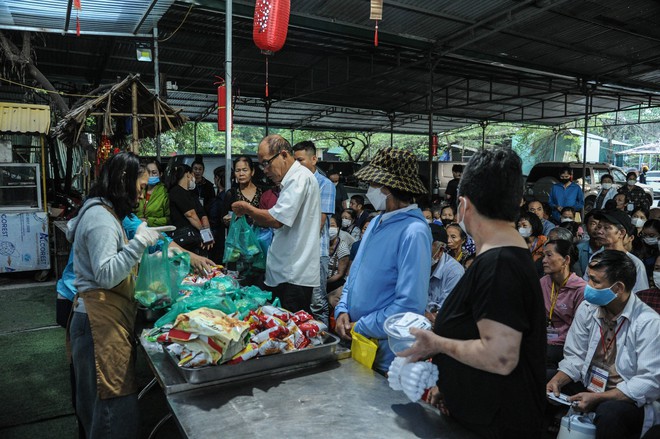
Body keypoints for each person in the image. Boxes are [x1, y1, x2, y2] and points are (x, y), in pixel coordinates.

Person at [400, 148, 547, 438]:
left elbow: (500, 357)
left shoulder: (500, 265)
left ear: (464, 206)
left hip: (498, 425)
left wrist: (437, 344)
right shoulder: (500, 257)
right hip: (478, 414)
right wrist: (453, 387)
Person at [66, 152, 161, 438]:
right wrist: (138, 245)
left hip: (101, 321)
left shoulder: (103, 212)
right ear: (124, 181)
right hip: (98, 325)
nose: (142, 194)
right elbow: (106, 274)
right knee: (111, 412)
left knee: (103, 409)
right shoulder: (100, 218)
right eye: (140, 186)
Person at [334, 147, 432, 375]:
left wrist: (362, 325)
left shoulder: (414, 231)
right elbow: (354, 275)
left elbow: (409, 305)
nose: (370, 190)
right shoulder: (377, 222)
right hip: (360, 342)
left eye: (373, 184)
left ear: (386, 188)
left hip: (387, 356)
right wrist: (342, 309)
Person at [547, 250, 660, 439]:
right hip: (589, 384)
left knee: (610, 413)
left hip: (624, 397)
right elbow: (576, 356)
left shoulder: (649, 322)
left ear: (618, 288)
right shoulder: (587, 308)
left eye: (595, 282)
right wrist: (557, 380)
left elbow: (649, 382)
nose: (587, 286)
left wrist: (600, 398)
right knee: (543, 381)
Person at [232, 135, 321, 313]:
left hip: (293, 275)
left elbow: (277, 220)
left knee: (290, 331)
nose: (265, 170)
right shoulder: (291, 180)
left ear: (284, 155)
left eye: (266, 163)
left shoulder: (299, 179)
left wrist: (248, 209)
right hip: (285, 272)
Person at [293, 140, 336, 325]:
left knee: (317, 301)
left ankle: (324, 339)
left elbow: (319, 222)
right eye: (295, 160)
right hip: (298, 252)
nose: (297, 164)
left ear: (313, 159)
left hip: (316, 252)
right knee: (300, 300)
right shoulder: (295, 183)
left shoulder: (325, 184)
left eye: (300, 160)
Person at [540, 239, 586, 380]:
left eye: (549, 255)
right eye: (543, 256)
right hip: (543, 339)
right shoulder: (543, 282)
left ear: (566, 260)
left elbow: (579, 330)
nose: (543, 260)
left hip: (566, 345)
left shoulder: (580, 289)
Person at [586, 210, 649, 293]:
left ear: (621, 233)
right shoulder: (595, 258)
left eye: (606, 228)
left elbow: (640, 294)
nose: (599, 231)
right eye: (599, 227)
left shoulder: (635, 264)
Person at [168, 164, 213, 253]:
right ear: (188, 174)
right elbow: (191, 215)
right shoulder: (176, 191)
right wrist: (204, 234)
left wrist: (208, 235)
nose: (194, 178)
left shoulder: (192, 194)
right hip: (183, 239)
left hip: (196, 239)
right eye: (193, 174)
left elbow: (203, 215)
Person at [426, 224, 464, 324]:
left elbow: (444, 315)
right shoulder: (414, 263)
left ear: (441, 250)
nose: (421, 253)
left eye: (427, 249)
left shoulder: (455, 272)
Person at [223, 155, 263, 225]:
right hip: (240, 234)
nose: (241, 174)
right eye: (237, 170)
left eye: (245, 170)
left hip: (261, 234)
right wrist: (227, 221)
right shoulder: (231, 194)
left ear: (252, 171)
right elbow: (223, 218)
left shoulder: (262, 191)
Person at [136, 159, 170, 227]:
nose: (150, 175)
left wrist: (148, 221)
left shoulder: (164, 193)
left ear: (160, 174)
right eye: (148, 172)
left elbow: (169, 219)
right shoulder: (140, 190)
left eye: (154, 173)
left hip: (157, 232)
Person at [326, 216, 351, 294]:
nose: (329, 228)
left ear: (338, 228)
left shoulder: (342, 248)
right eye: (327, 225)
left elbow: (340, 274)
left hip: (333, 283)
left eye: (332, 225)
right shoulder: (322, 244)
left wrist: (325, 282)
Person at [207, 166, 227, 263]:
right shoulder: (233, 194)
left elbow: (213, 220)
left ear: (218, 179)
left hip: (218, 238)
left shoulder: (219, 200)